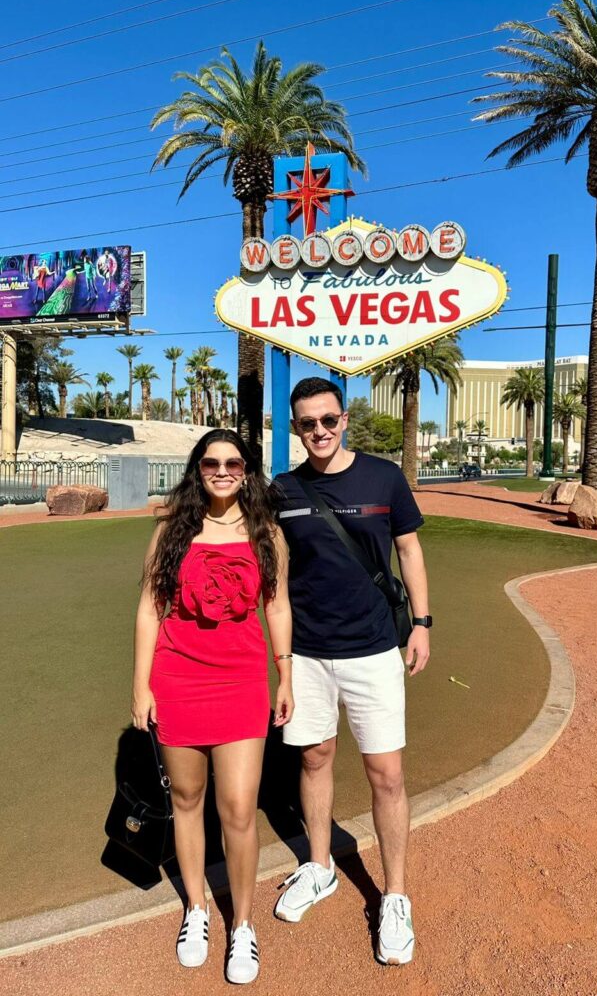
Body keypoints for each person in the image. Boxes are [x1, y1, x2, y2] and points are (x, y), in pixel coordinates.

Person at [270, 377, 431, 967]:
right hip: (309, 653)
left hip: (373, 650)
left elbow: (409, 550)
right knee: (313, 757)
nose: (319, 431)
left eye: (328, 420)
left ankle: (394, 896)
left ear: (344, 418)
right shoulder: (282, 488)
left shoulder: (384, 477)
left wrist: (423, 622)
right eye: (307, 423)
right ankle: (320, 866)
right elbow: (276, 572)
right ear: (296, 428)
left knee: (385, 774)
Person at [132, 428, 293, 984]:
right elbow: (150, 610)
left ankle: (242, 925)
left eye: (232, 462)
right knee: (186, 797)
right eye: (210, 463)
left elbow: (277, 607)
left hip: (241, 680)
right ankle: (197, 908)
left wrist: (285, 674)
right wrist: (141, 686)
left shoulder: (266, 531)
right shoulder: (170, 529)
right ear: (196, 469)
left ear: (246, 470)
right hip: (178, 678)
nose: (221, 470)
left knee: (239, 808)